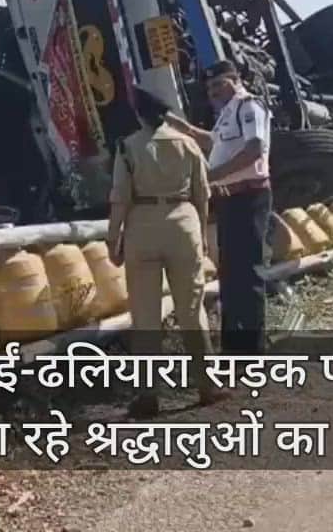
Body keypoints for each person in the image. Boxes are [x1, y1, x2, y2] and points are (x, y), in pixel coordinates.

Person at [106, 86, 230, 417]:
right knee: (192, 307)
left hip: (142, 227)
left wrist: (112, 239)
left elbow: (120, 198)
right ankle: (208, 384)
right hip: (183, 223)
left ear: (139, 115)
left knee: (145, 315)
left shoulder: (128, 147)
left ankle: (148, 396)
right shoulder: (187, 144)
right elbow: (202, 195)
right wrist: (201, 235)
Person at [166, 60, 272, 355]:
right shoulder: (227, 114)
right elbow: (214, 142)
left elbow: (253, 151)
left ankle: (251, 351)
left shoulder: (249, 107)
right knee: (230, 273)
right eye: (209, 87)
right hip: (229, 198)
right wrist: (181, 127)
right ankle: (233, 347)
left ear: (234, 80)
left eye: (217, 84)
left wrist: (209, 176)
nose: (212, 92)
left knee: (248, 273)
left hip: (249, 197)